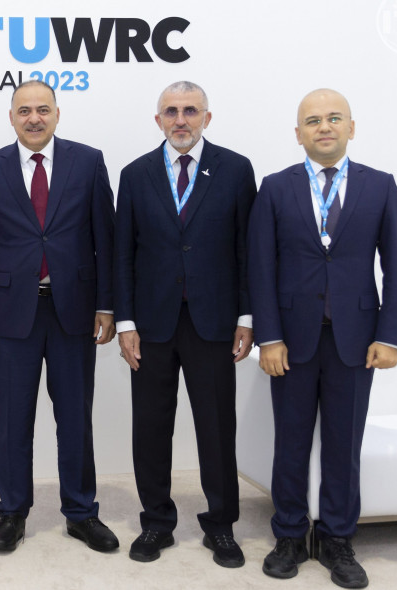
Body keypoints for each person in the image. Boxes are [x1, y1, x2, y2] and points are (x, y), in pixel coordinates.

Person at [248, 89, 397, 589]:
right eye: (313, 120)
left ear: (351, 128)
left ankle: (338, 538)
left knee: (344, 443)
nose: (324, 127)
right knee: (290, 442)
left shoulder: (380, 186)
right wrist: (268, 337)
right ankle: (290, 535)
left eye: (334, 118)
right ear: (298, 133)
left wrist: (391, 336)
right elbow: (260, 267)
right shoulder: (275, 188)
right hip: (291, 342)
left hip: (356, 342)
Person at [0, 80, 118, 553]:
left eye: (43, 110)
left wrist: (107, 305)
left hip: (75, 310)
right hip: (11, 315)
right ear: (11, 116)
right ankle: (12, 513)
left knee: (75, 418)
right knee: (14, 420)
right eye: (25, 110)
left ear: (57, 114)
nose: (34, 118)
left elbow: (106, 238)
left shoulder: (88, 161)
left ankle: (81, 512)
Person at [114, 81, 256, 568]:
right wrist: (126, 321)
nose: (181, 120)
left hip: (214, 322)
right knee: (151, 428)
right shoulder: (135, 174)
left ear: (206, 118)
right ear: (158, 120)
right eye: (171, 111)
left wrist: (246, 316)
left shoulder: (235, 169)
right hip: (151, 324)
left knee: (216, 428)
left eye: (190, 111)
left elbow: (247, 249)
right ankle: (156, 521)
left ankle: (222, 526)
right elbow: (122, 254)